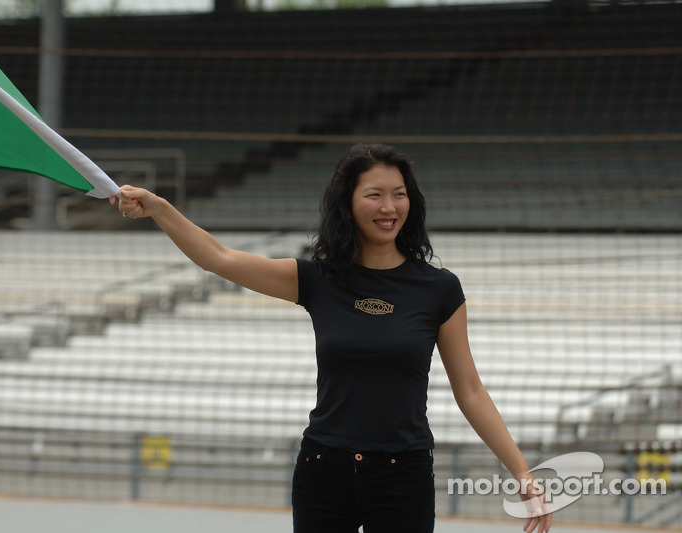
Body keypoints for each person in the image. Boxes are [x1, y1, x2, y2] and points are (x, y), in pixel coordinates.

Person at [112, 143, 551, 533]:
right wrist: (160, 208)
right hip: (325, 468)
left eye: (399, 194)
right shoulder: (318, 279)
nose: (389, 206)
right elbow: (219, 258)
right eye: (374, 194)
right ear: (349, 203)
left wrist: (521, 473)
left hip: (404, 474)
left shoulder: (439, 289)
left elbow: (470, 389)